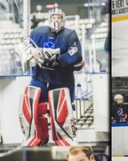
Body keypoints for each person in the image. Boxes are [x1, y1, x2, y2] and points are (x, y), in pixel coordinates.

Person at [17, 8, 82, 146]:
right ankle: (35, 137)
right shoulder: (37, 32)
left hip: (62, 78)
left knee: (63, 108)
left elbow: (76, 53)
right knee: (33, 106)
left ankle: (65, 138)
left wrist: (58, 60)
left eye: (59, 17)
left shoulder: (70, 34)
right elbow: (24, 47)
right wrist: (30, 55)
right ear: (49, 18)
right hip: (40, 76)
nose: (56, 20)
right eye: (54, 17)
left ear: (63, 19)